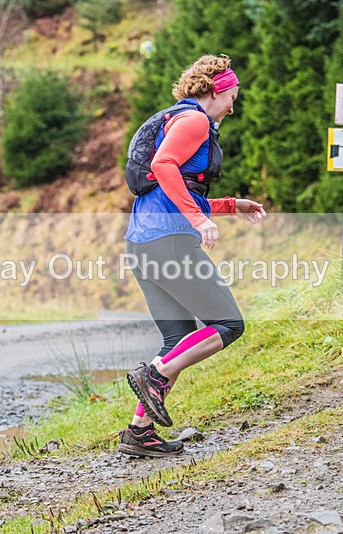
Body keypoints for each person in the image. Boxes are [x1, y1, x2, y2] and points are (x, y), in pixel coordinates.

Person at [118, 55, 266, 457]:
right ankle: (155, 377)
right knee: (229, 323)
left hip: (143, 243)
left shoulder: (179, 120)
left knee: (178, 337)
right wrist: (200, 223)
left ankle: (138, 432)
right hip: (167, 243)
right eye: (231, 97)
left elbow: (177, 190)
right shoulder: (195, 120)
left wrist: (231, 206)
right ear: (215, 90)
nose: (233, 107)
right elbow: (164, 165)